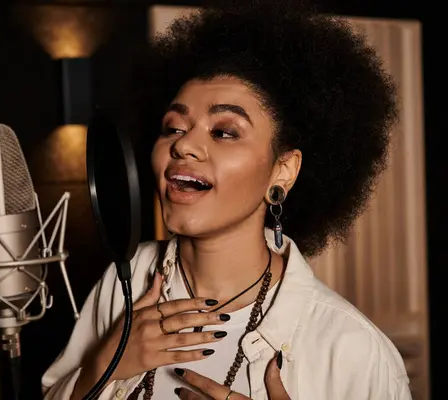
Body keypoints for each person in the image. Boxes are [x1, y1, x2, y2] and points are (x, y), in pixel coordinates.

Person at [42, 1, 412, 399]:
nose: (183, 144)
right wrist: (104, 364)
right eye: (173, 127)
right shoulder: (122, 283)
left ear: (282, 170)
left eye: (224, 132)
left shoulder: (352, 349)